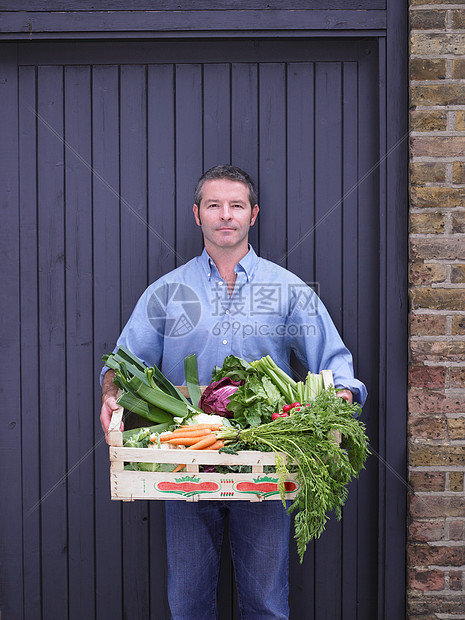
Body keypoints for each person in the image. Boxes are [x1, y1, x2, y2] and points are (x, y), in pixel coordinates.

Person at [100, 164, 366, 619]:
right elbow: (122, 364)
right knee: (187, 602)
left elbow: (336, 365)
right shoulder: (167, 292)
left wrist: (339, 401)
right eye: (214, 205)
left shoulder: (287, 290)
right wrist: (110, 395)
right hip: (185, 461)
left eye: (236, 205)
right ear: (197, 215)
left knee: (265, 602)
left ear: (253, 214)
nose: (226, 215)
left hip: (267, 458)